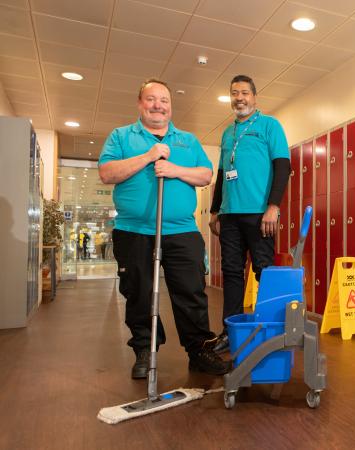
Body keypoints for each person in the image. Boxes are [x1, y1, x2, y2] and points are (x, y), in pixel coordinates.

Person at [99, 78, 227, 378]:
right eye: (151, 99)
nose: (158, 105)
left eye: (164, 101)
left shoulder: (188, 140)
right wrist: (149, 156)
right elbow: (107, 173)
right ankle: (145, 349)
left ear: (171, 106)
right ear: (140, 103)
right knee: (139, 292)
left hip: (181, 230)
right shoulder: (121, 137)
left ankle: (199, 350)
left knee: (191, 291)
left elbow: (206, 175)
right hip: (134, 230)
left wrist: (174, 170)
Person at [209, 75, 291, 353]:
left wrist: (274, 206)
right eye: (234, 93)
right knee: (231, 272)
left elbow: (283, 166)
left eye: (244, 93)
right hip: (230, 214)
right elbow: (222, 173)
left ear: (255, 97)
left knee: (263, 271)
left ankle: (270, 332)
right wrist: (214, 210)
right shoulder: (227, 133)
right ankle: (229, 332)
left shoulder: (270, 125)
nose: (239, 98)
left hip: (259, 214)